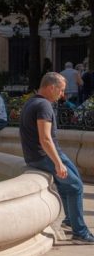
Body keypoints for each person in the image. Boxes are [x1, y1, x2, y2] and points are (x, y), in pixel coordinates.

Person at [19, 72, 94, 244]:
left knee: (73, 184)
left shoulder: (32, 102)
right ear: (51, 87)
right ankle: (80, 232)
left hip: (37, 155)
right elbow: (45, 138)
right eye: (61, 91)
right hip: (44, 156)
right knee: (75, 187)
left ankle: (70, 221)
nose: (63, 95)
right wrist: (58, 163)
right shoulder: (43, 106)